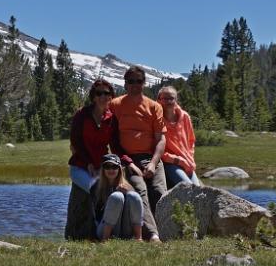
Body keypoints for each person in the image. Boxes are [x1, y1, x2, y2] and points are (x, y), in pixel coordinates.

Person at [109, 65, 166, 242]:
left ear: (144, 83)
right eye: (131, 81)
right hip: (128, 159)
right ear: (125, 84)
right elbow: (113, 140)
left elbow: (161, 140)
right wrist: (129, 163)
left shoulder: (154, 107)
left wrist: (153, 163)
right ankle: (153, 235)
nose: (135, 85)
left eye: (139, 81)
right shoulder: (115, 105)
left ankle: (165, 229)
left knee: (159, 191)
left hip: (151, 158)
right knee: (139, 190)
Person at [65, 79, 121, 239]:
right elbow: (76, 142)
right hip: (80, 167)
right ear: (93, 97)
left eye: (107, 93)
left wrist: (125, 163)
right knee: (97, 188)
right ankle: (100, 231)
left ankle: (106, 231)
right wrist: (88, 163)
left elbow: (115, 145)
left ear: (111, 97)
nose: (103, 96)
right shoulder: (82, 115)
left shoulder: (111, 118)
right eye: (99, 93)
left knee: (112, 192)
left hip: (100, 167)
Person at [158, 86, 202, 187]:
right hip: (169, 163)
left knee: (198, 190)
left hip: (187, 162)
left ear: (176, 99)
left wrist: (190, 159)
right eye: (165, 98)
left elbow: (191, 141)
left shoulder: (184, 116)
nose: (168, 101)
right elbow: (156, 147)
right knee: (189, 188)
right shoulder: (157, 119)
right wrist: (178, 160)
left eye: (171, 98)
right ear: (159, 100)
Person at [92, 153, 143, 240]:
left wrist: (128, 193)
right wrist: (115, 193)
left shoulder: (127, 185)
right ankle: (105, 240)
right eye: (107, 166)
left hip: (125, 229)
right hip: (104, 228)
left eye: (114, 167)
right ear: (103, 169)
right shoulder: (96, 186)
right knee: (117, 197)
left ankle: (139, 238)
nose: (111, 170)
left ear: (119, 169)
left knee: (134, 196)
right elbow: (97, 214)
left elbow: (135, 211)